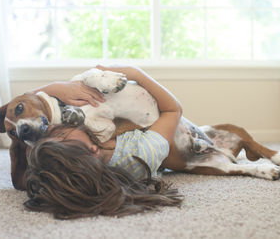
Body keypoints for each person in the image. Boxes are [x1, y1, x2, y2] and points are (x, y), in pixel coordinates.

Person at [24, 65, 185, 219]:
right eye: (62, 134)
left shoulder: (52, 161)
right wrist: (135, 73)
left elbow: (18, 107)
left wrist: (55, 88)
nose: (51, 126)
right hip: (173, 130)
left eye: (45, 138)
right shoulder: (142, 153)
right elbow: (173, 110)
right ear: (93, 150)